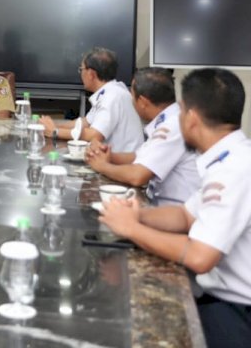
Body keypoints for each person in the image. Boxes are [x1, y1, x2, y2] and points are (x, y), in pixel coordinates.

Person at [100, 68, 251, 348]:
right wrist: (138, 214)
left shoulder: (235, 169)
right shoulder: (229, 158)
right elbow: (185, 215)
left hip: (237, 312)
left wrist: (132, 229)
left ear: (191, 118)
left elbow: (199, 256)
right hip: (218, 297)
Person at [86, 67, 199, 205]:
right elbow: (140, 156)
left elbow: (137, 176)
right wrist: (109, 156)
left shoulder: (172, 126)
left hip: (175, 214)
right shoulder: (168, 120)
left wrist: (102, 166)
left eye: (132, 96)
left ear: (143, 102)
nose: (132, 102)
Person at [40, 47, 143, 153]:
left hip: (121, 164)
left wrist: (55, 131)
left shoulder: (112, 97)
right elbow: (85, 123)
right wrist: (52, 125)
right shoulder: (109, 91)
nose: (80, 73)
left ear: (91, 74)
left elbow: (94, 135)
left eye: (81, 69)